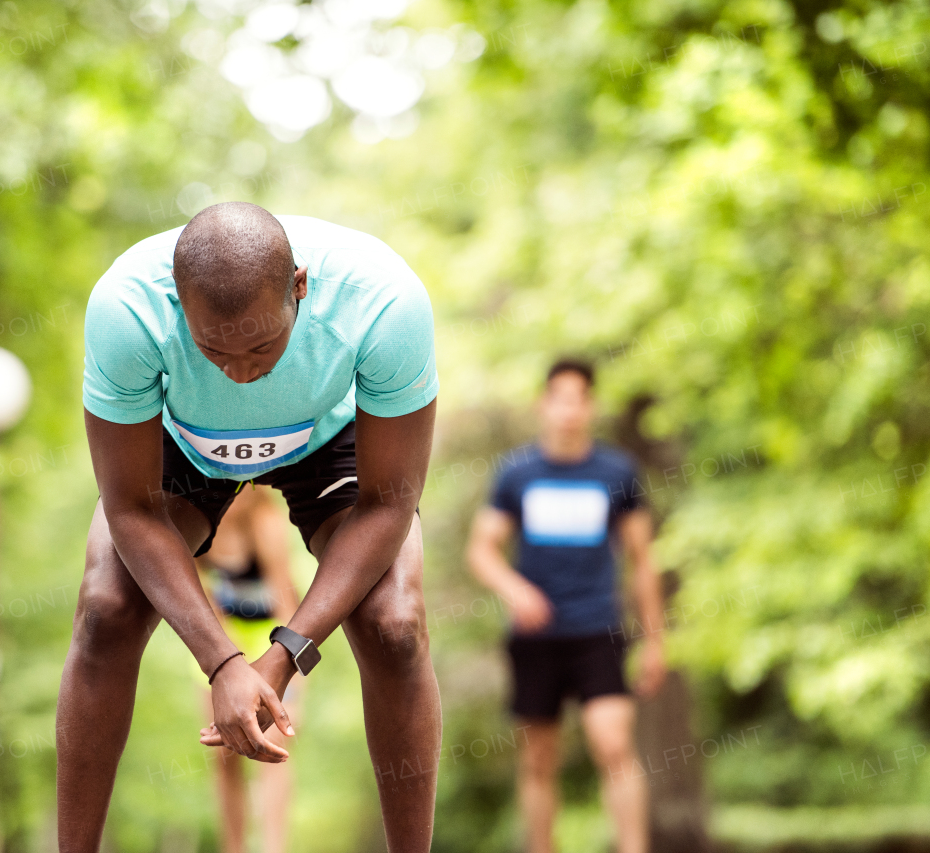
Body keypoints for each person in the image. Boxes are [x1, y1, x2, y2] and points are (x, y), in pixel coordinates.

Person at [58, 202, 441, 853]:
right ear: (178, 303)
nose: (240, 370)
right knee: (105, 607)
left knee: (395, 622)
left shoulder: (383, 300)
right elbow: (130, 507)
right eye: (214, 349)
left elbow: (387, 503)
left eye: (262, 345)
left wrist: (285, 653)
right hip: (184, 444)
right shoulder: (126, 308)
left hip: (332, 436)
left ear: (299, 286)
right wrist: (223, 663)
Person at [466, 358, 666, 853]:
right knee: (538, 760)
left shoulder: (617, 472)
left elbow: (643, 561)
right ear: (544, 404)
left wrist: (656, 641)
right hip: (536, 636)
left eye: (580, 400)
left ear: (591, 406)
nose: (570, 411)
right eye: (561, 398)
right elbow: (481, 550)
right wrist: (515, 590)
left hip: (599, 628)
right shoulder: (517, 472)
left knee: (613, 743)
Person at [194, 485, 301, 853]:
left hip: (269, 635)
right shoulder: (197, 521)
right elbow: (203, 602)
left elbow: (286, 598)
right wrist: (226, 666)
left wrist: (295, 673)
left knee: (273, 749)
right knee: (224, 752)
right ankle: (233, 846)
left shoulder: (264, 518)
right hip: (222, 638)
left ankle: (274, 846)